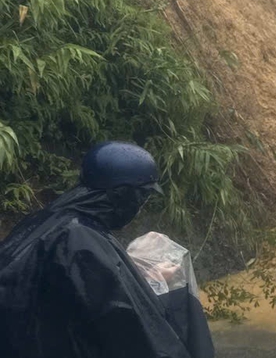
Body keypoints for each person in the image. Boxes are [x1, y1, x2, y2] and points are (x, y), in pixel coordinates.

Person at [0, 142, 193, 358]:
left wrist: (142, 275)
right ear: (124, 194)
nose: (141, 206)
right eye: (143, 197)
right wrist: (156, 282)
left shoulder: (43, 221)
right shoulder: (80, 239)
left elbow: (72, 291)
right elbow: (130, 325)